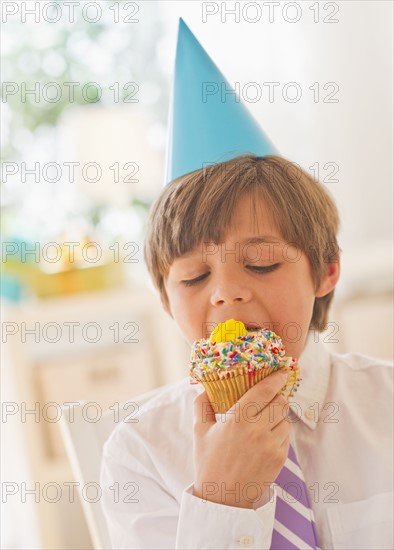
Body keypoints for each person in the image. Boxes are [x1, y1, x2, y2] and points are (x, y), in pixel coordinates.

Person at [100, 155, 393, 549]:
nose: (226, 292)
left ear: (326, 270)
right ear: (166, 303)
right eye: (195, 277)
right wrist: (223, 500)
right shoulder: (141, 453)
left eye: (261, 263)